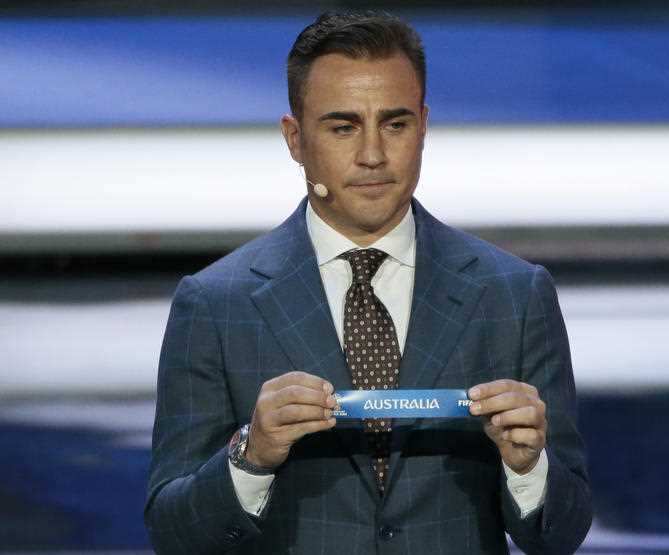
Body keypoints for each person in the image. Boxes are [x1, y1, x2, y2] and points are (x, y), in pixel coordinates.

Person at [145, 11, 591, 554]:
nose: (373, 155)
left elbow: (562, 534)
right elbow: (172, 533)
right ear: (294, 138)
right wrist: (251, 455)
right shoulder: (216, 303)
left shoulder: (514, 295)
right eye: (343, 127)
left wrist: (528, 468)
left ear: (423, 126)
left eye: (396, 124)